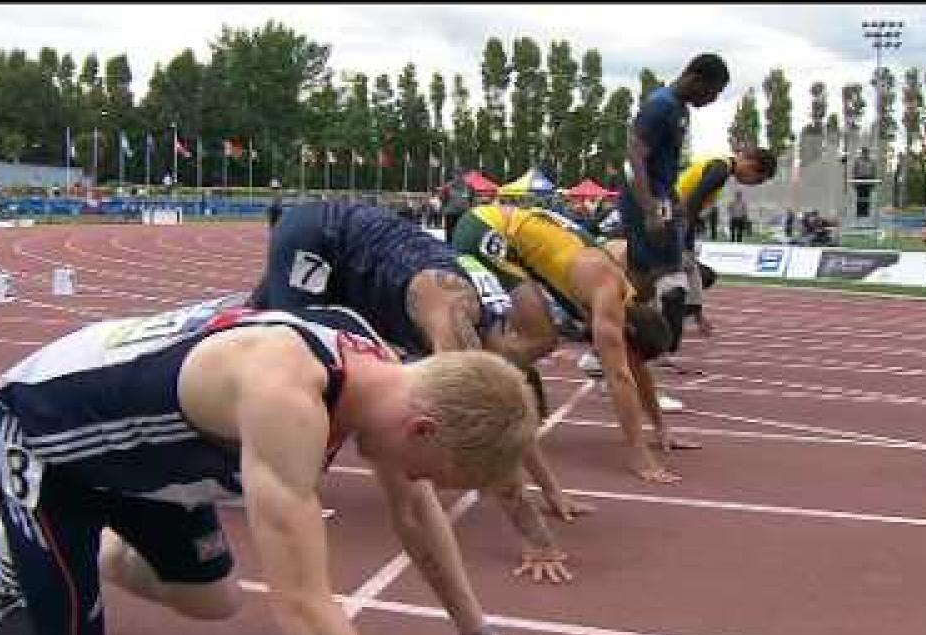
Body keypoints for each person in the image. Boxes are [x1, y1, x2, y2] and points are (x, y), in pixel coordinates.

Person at [0, 298, 540, 635]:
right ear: (423, 428)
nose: (417, 480)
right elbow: (302, 604)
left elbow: (416, 514)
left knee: (213, 600)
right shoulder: (286, 396)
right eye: (427, 469)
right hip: (44, 439)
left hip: (151, 469)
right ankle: (17, 573)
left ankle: (54, 553)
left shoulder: (385, 371)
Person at [246, 200, 586, 582]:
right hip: (318, 236)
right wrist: (536, 536)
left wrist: (552, 490)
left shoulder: (487, 346)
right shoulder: (456, 326)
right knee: (288, 351)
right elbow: (481, 431)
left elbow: (504, 430)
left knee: (245, 324)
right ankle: (267, 472)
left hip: (357, 271)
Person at [454, 203, 700, 484]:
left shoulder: (630, 302)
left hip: (518, 238)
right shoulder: (607, 298)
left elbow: (636, 369)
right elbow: (621, 375)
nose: (631, 358)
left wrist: (660, 429)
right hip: (485, 229)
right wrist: (639, 455)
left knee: (542, 339)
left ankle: (497, 374)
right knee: (541, 338)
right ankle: (474, 384)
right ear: (628, 329)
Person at [620, 53, 729, 293]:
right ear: (695, 79)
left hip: (662, 199)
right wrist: (650, 210)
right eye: (714, 91)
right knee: (666, 279)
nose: (713, 99)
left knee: (656, 276)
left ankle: (630, 320)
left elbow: (665, 164)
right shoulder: (661, 105)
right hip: (646, 200)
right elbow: (635, 157)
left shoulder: (680, 110)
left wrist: (673, 199)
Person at [676, 148, 778, 338]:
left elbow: (692, 207)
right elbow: (692, 203)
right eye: (757, 180)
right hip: (668, 222)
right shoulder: (720, 170)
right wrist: (682, 242)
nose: (753, 185)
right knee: (682, 276)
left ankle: (677, 322)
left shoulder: (719, 167)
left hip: (674, 222)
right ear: (751, 165)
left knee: (698, 274)